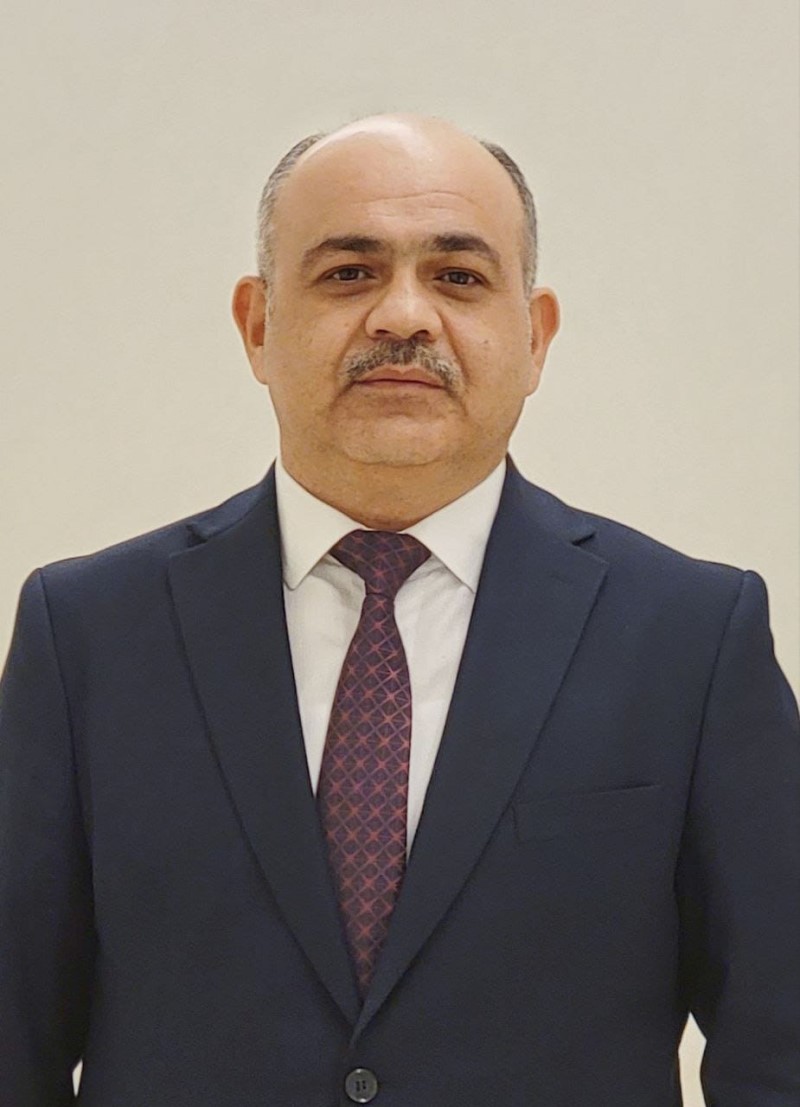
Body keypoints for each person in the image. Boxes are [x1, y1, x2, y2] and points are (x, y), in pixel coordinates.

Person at [1, 113, 798, 1107]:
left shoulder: (691, 638)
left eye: (458, 276)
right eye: (349, 273)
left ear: (535, 336)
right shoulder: (86, 635)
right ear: (257, 325)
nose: (403, 317)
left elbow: (780, 1046)